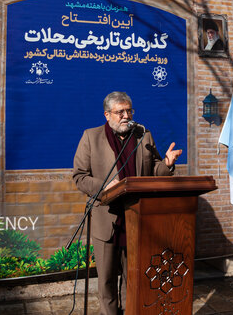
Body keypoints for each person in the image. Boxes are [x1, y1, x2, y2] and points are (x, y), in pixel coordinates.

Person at [72, 91, 182, 315]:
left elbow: (154, 169)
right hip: (107, 220)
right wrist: (104, 186)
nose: (125, 115)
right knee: (107, 280)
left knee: (134, 277)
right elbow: (79, 177)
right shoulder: (91, 137)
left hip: (137, 217)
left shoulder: (143, 135)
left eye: (129, 110)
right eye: (119, 111)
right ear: (107, 115)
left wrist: (168, 165)